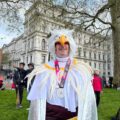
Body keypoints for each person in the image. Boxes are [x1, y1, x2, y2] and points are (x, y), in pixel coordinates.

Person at [27, 29, 98, 120]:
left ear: (69, 48)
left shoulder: (79, 69)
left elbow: (87, 98)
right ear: (55, 49)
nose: (62, 46)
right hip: (50, 115)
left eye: (65, 46)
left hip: (73, 115)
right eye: (59, 46)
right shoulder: (45, 69)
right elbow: (38, 100)